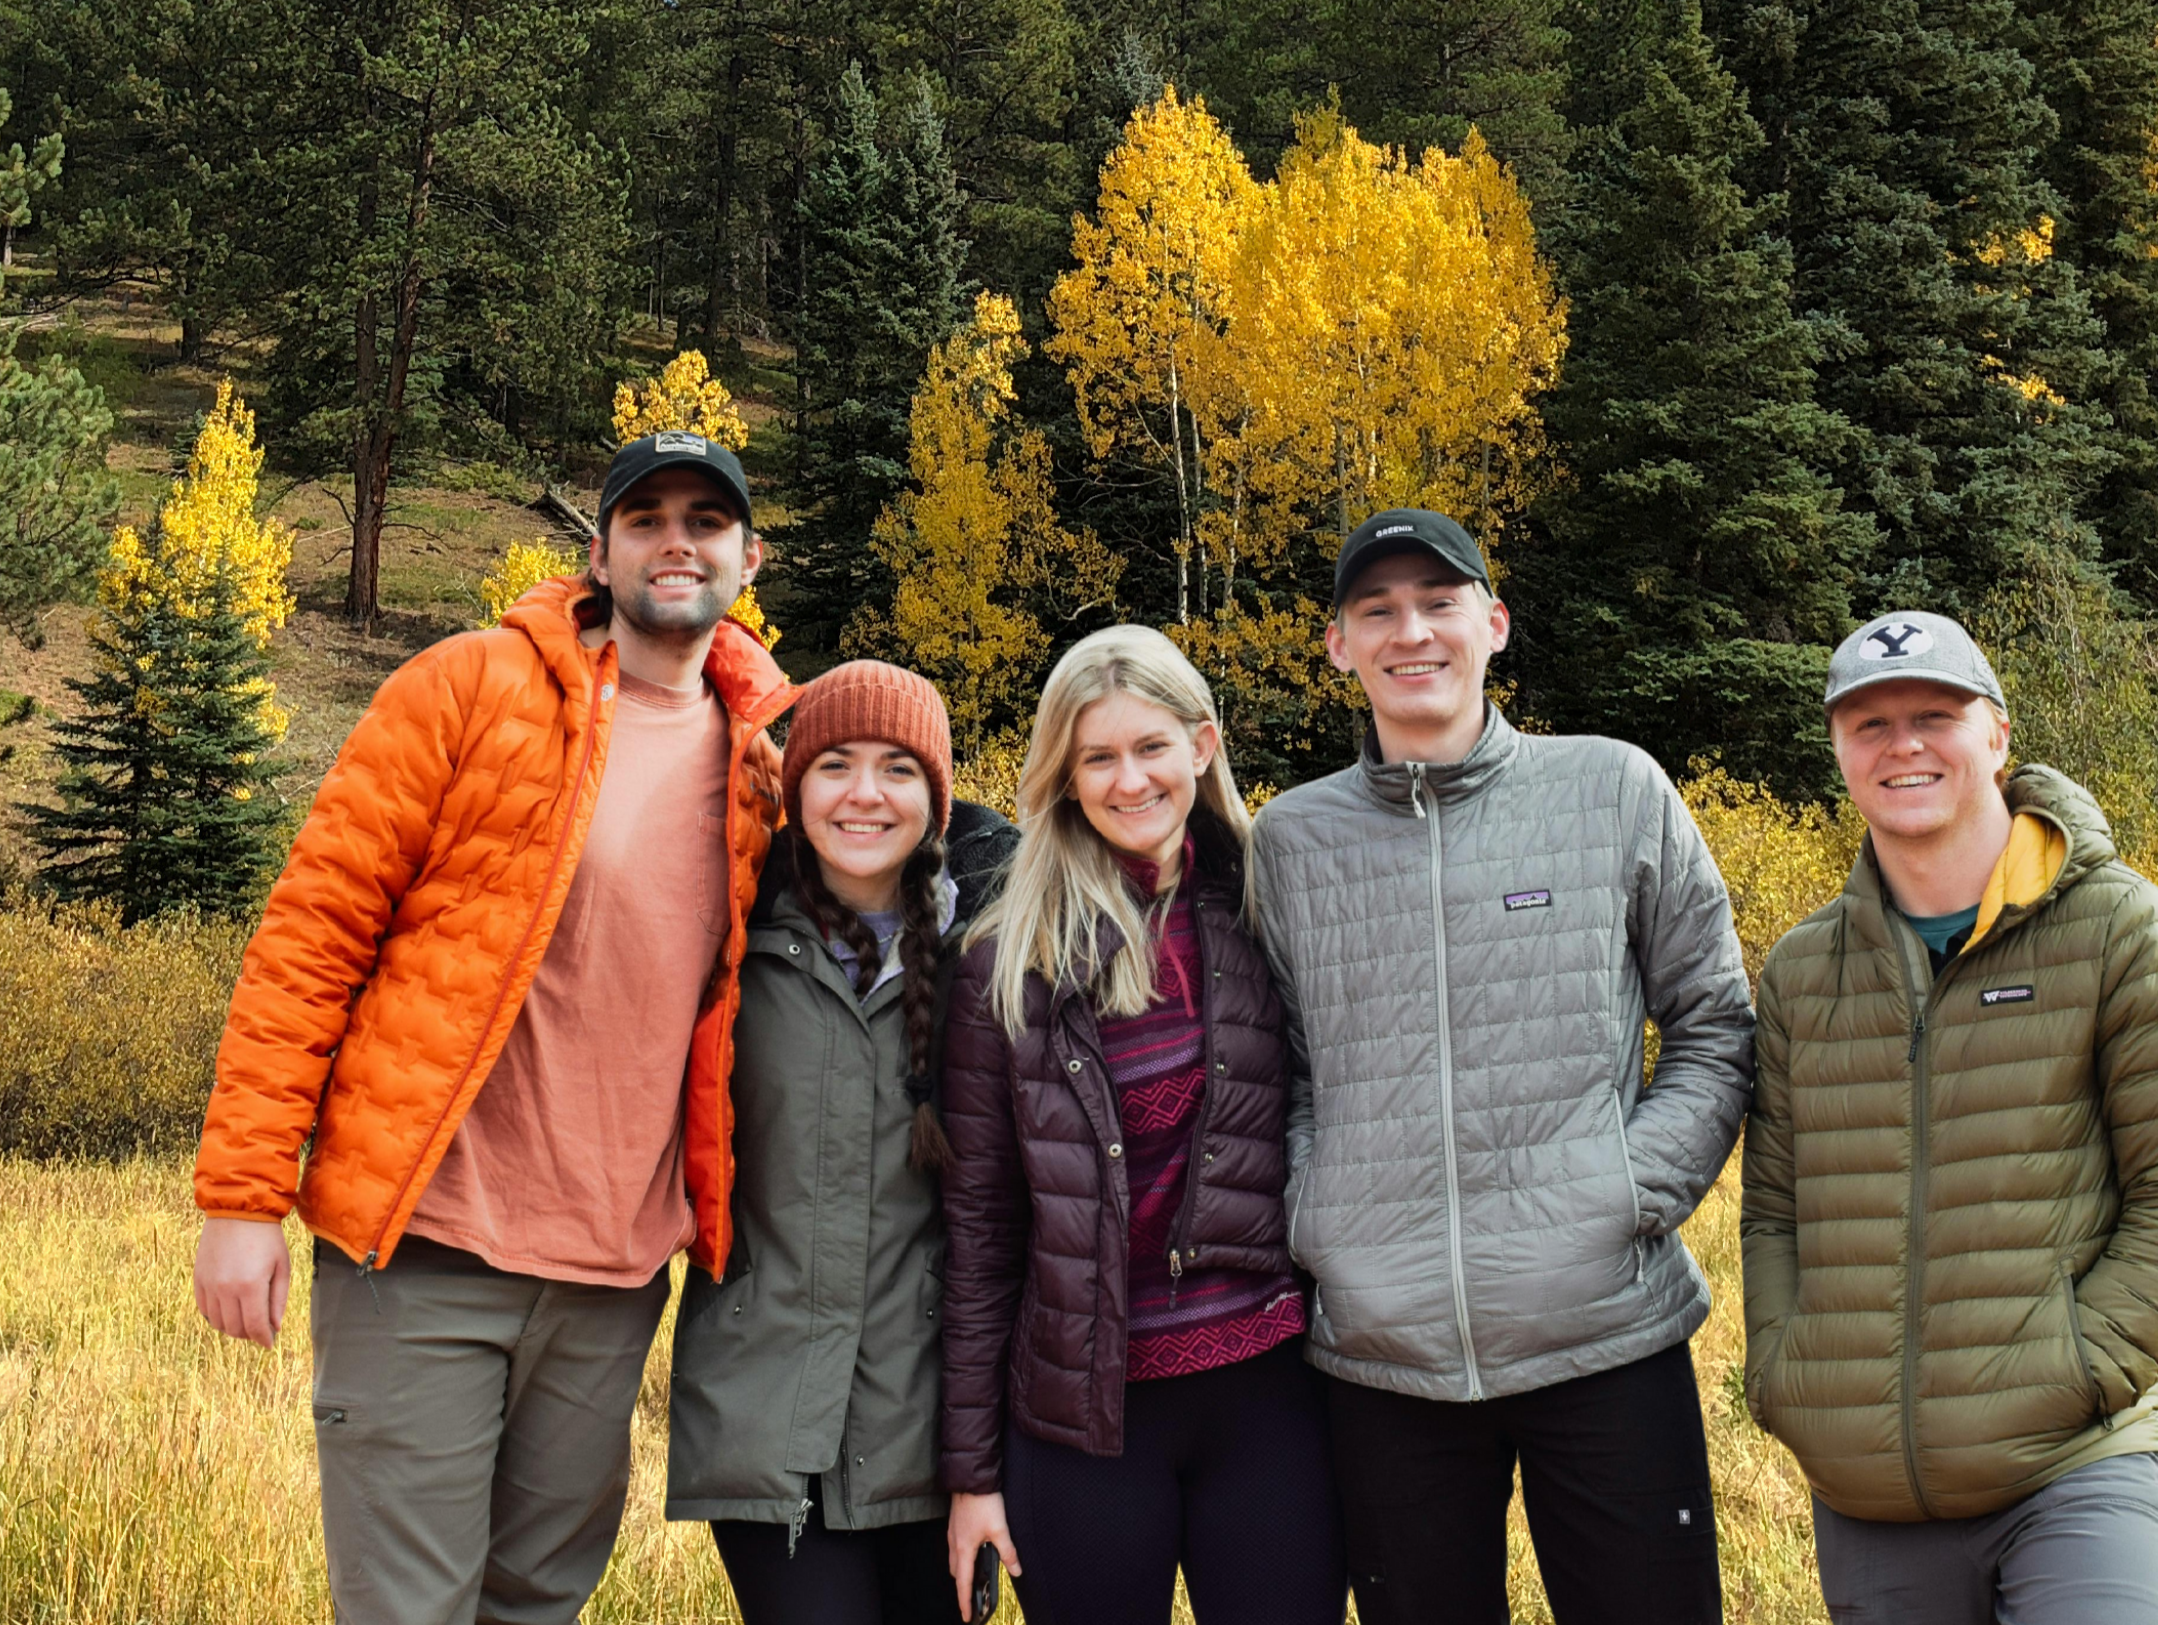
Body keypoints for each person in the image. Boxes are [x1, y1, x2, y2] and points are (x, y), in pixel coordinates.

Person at [190, 431, 791, 1625]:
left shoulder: (766, 759)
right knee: (409, 1607)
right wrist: (241, 1198)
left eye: (705, 520)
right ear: (598, 547)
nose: (677, 540)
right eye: (647, 516)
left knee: (536, 1602)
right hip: (426, 1247)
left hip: (613, 1276)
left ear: (748, 555)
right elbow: (313, 934)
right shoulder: (470, 686)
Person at [1245, 508, 1755, 1625]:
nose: (1408, 631)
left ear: (1493, 622)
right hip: (1384, 1363)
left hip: (1603, 1335)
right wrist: (1318, 1219)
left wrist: (1623, 1192)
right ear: (1336, 645)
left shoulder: (1612, 789)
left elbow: (1713, 1022)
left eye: (1436, 602)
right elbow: (1274, 1067)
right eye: (1375, 610)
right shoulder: (1288, 840)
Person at [1741, 610, 2158, 1625]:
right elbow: (1772, 1212)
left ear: (1996, 735)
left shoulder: (2119, 928)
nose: (1903, 744)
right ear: (1838, 749)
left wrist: (2075, 1365)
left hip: (2069, 1466)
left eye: (1934, 713)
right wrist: (1785, 1375)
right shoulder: (1802, 972)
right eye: (1868, 723)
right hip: (1868, 1495)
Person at [938, 625, 1345, 1625]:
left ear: (1200, 745)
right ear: (1061, 776)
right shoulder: (1005, 964)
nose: (1129, 780)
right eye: (1097, 756)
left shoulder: (1268, 908)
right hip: (1079, 1421)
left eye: (1151, 746)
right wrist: (970, 1476)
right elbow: (980, 1233)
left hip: (1267, 1396)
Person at [665, 659, 1018, 1625]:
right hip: (767, 1414)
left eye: (899, 768)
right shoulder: (730, 943)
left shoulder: (997, 955)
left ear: (937, 797)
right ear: (796, 786)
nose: (865, 795)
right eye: (837, 766)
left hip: (941, 1431)